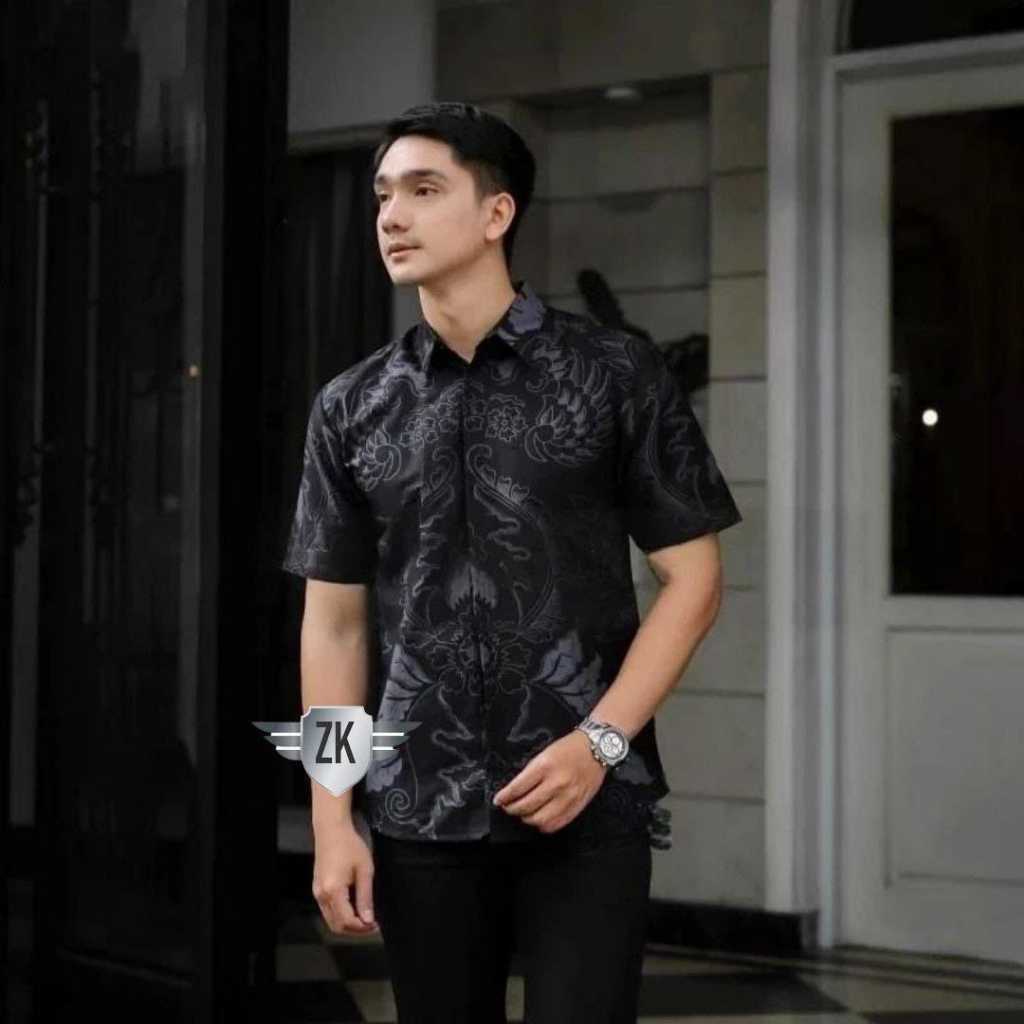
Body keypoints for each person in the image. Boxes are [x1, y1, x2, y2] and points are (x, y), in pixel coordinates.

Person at [281, 100, 743, 1024]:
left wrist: (602, 741)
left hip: (586, 799)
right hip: (417, 809)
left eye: (423, 190)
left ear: (497, 213)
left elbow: (694, 579)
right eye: (382, 195)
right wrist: (332, 818)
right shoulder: (351, 405)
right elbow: (333, 625)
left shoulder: (615, 374)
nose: (392, 216)